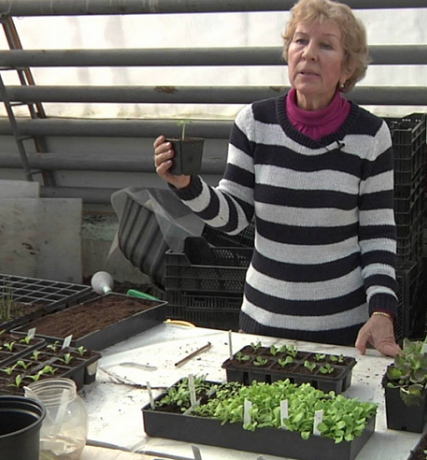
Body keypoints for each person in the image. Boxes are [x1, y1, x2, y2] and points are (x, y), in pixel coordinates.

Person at [154, 0, 400, 357]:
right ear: (287, 53)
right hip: (263, 321)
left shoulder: (371, 135)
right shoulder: (254, 123)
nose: (308, 54)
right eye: (300, 41)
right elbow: (235, 218)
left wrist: (381, 311)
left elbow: (377, 235)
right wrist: (186, 185)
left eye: (325, 45)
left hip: (342, 328)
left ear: (347, 69)